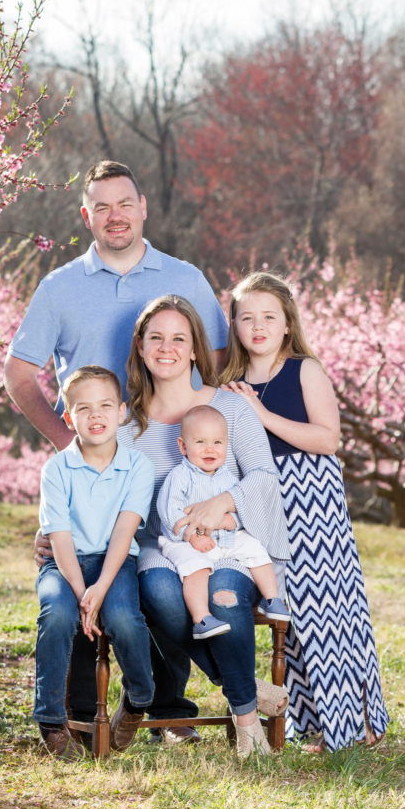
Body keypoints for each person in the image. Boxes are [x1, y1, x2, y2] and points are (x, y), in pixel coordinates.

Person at [4, 160, 229, 743]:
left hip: (172, 458)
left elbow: (222, 361)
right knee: (88, 575)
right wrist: (67, 443)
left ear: (144, 206)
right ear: (86, 216)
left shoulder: (185, 278)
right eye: (101, 206)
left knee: (161, 575)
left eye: (124, 203)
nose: (115, 216)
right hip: (90, 473)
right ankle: (81, 715)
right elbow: (18, 372)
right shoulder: (60, 287)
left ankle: (166, 709)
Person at [116, 293, 291, 757]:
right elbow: (92, 482)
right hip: (164, 549)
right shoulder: (124, 426)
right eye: (157, 338)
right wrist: (47, 528)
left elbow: (263, 475)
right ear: (140, 346)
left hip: (231, 544)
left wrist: (224, 502)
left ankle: (247, 721)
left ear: (196, 348)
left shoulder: (230, 408)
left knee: (224, 596)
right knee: (164, 600)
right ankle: (248, 694)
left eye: (180, 338)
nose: (167, 347)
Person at [221, 272, 389, 753]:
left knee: (330, 610)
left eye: (268, 317)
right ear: (234, 324)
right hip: (260, 498)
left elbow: (327, 439)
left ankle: (358, 721)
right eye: (247, 317)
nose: (258, 326)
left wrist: (264, 416)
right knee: (287, 615)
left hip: (312, 499)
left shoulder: (304, 369)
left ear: (287, 324)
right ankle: (312, 725)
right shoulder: (230, 383)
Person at [35, 366, 156, 759]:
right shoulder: (56, 469)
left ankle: (138, 699)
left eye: (105, 406)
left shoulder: (138, 466)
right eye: (83, 409)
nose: (96, 416)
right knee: (56, 615)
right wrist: (80, 594)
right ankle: (52, 721)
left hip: (114, 563)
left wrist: (100, 589)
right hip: (64, 565)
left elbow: (124, 533)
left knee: (123, 618)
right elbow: (60, 538)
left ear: (122, 412)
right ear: (69, 418)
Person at [157, 404, 290, 639]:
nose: (210, 449)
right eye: (200, 442)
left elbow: (241, 508)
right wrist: (193, 536)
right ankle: (201, 619)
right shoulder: (180, 476)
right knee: (195, 569)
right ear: (183, 446)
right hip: (185, 543)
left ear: (227, 446)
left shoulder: (227, 477)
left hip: (223, 539)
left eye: (218, 442)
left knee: (255, 548)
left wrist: (231, 520)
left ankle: (272, 599)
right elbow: (170, 513)